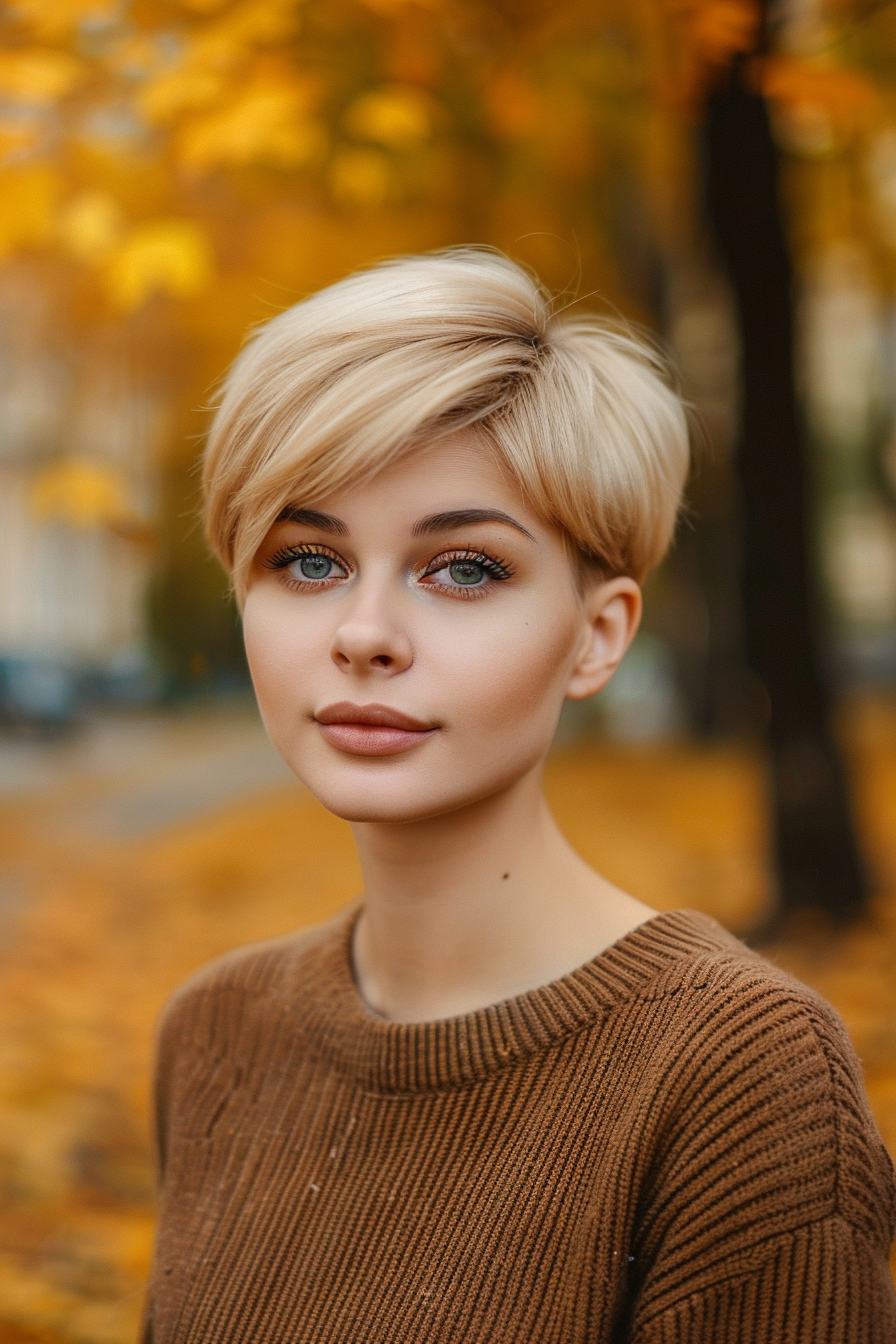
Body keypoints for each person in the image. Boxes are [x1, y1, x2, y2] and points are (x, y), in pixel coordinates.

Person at [142, 249, 896, 1342]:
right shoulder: (213, 1034)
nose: (363, 635)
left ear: (597, 635)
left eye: (463, 570)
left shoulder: (734, 1074)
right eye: (308, 560)